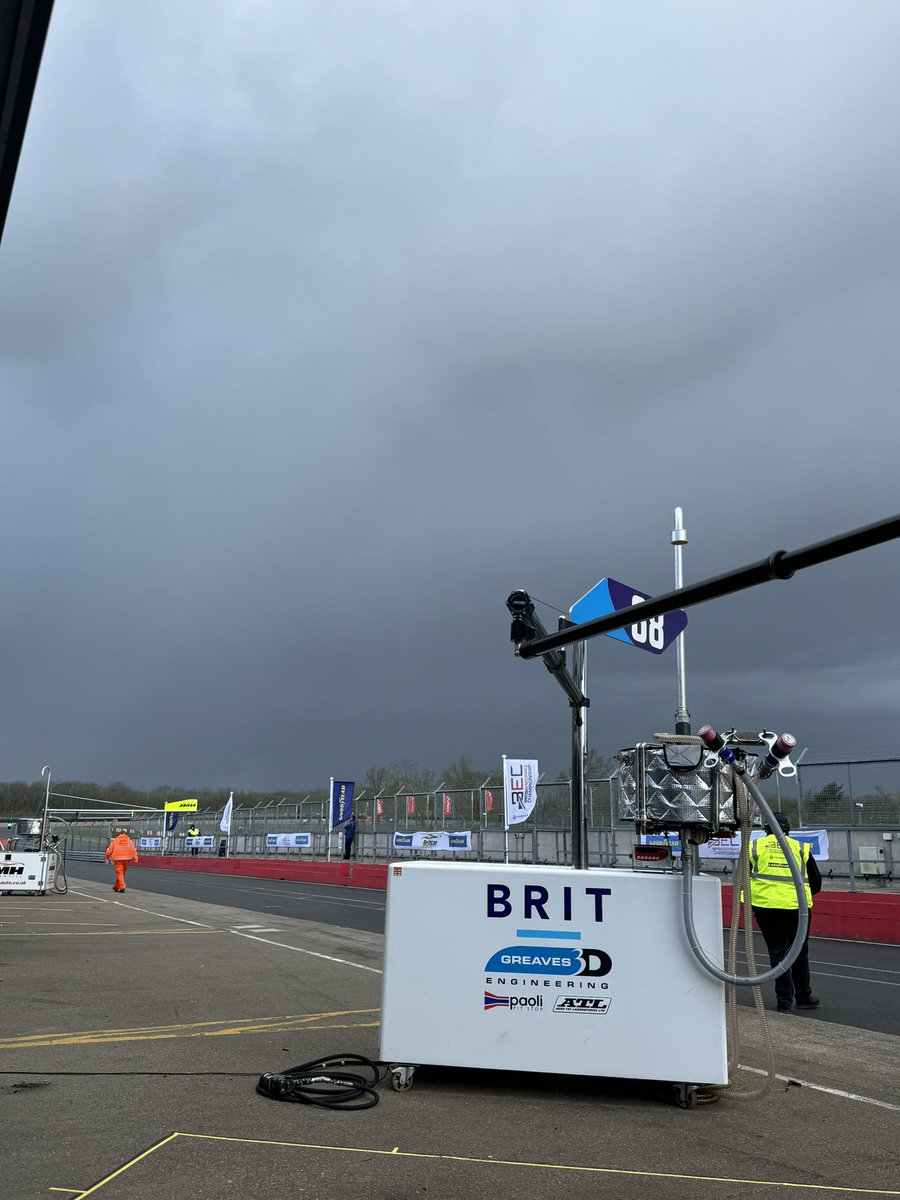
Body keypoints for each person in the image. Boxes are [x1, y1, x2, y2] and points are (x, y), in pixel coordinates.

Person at [749, 812, 822, 1012]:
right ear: (787, 829)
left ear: (766, 830)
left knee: (777, 952)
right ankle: (804, 997)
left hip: (766, 908)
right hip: (797, 909)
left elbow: (744, 880)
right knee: (799, 951)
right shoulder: (799, 848)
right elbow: (816, 883)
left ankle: (784, 1001)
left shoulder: (755, 847)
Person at [104, 827, 139, 893]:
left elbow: (109, 849)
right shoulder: (129, 840)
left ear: (119, 834)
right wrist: (135, 858)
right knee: (122, 874)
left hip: (117, 859)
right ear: (125, 834)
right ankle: (116, 887)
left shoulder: (116, 840)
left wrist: (107, 857)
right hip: (127, 859)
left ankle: (122, 887)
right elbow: (133, 850)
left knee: (119, 874)